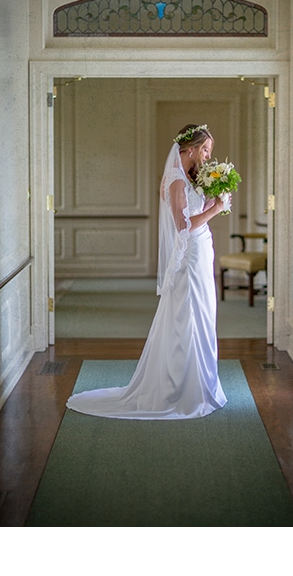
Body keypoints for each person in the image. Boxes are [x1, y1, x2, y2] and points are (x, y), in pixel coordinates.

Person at [67, 124, 228, 420]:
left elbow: (194, 215)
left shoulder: (189, 178)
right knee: (189, 315)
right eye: (205, 149)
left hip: (202, 251)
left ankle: (202, 383)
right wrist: (215, 209)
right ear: (190, 148)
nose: (208, 156)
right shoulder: (177, 181)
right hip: (190, 257)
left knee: (202, 314)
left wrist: (214, 194)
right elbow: (184, 226)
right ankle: (184, 389)